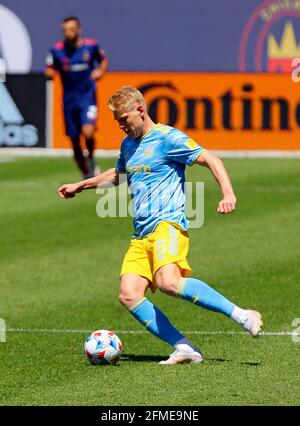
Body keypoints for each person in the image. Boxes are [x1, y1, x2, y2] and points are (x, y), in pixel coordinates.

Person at [58, 86, 263, 365]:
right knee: (129, 294)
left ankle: (242, 315)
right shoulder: (128, 144)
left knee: (169, 282)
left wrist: (228, 193)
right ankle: (184, 348)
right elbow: (117, 174)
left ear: (140, 111)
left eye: (124, 119)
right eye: (117, 121)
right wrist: (81, 185)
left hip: (168, 225)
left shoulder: (167, 138)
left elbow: (210, 159)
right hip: (141, 234)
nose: (120, 126)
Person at [45, 16, 109, 178]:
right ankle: (86, 172)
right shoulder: (57, 50)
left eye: (71, 29)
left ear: (79, 30)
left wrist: (101, 71)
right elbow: (49, 68)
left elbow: (103, 60)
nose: (68, 32)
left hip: (87, 97)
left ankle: (91, 158)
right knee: (74, 141)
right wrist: (50, 73)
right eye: (65, 30)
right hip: (69, 100)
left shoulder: (91, 46)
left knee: (88, 132)